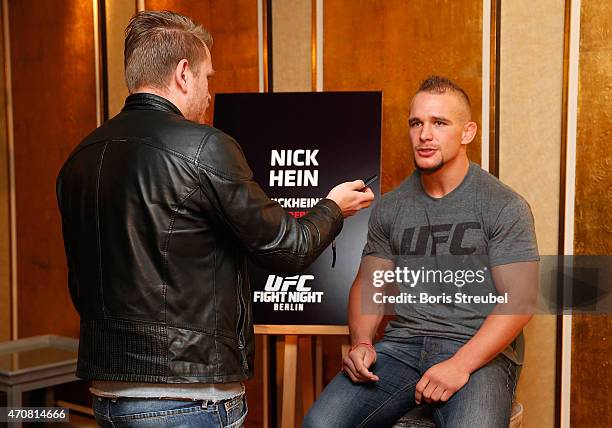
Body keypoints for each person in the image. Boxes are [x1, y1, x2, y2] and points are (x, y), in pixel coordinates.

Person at [55, 10, 374, 428]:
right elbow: (287, 249)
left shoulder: (79, 158)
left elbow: (80, 282)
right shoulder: (204, 146)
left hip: (109, 394)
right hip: (188, 398)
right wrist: (334, 207)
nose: (209, 93)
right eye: (208, 78)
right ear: (184, 74)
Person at [304, 76, 539, 428]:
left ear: (467, 132)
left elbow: (518, 301)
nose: (424, 134)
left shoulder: (504, 205)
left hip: (477, 352)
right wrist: (362, 343)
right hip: (402, 347)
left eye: (439, 123)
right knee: (320, 424)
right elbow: (369, 285)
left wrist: (460, 364)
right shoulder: (392, 206)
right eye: (416, 123)